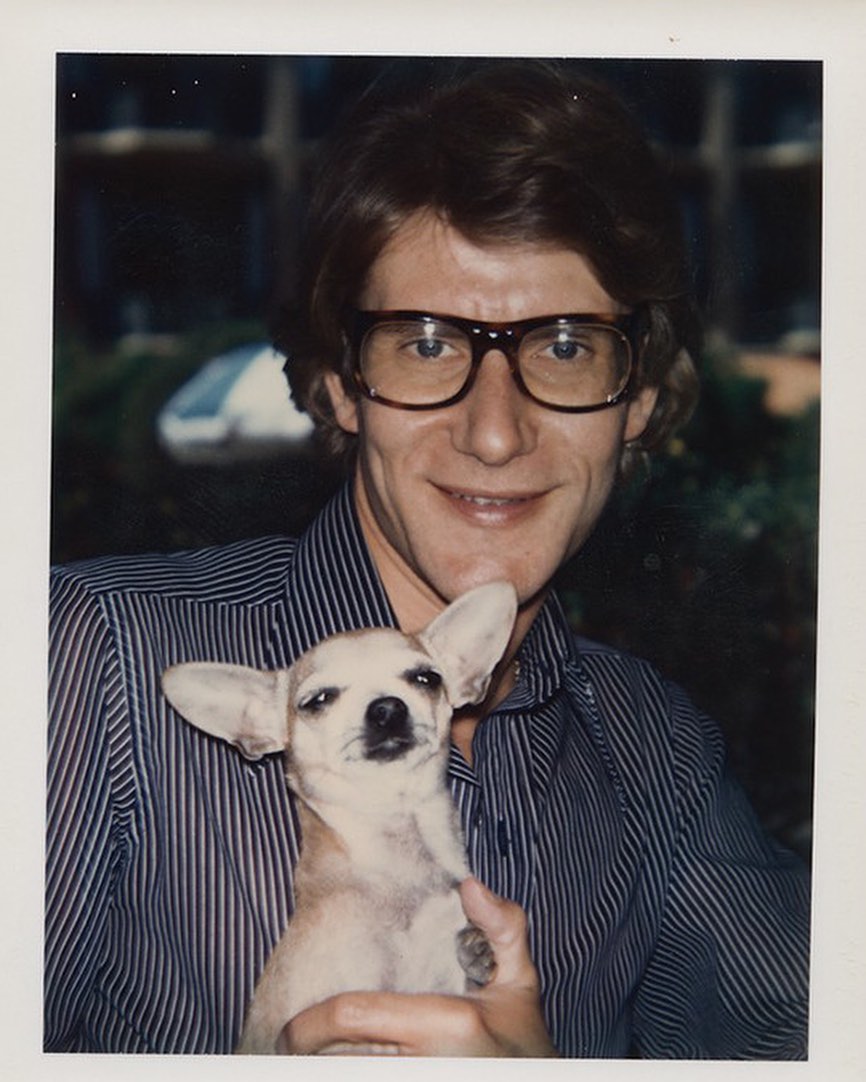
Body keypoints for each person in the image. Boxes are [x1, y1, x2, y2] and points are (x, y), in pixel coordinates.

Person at [45, 59, 810, 1057]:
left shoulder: (658, 750)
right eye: (425, 344)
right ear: (338, 384)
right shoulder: (89, 660)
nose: (494, 432)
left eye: (565, 347)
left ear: (641, 402)